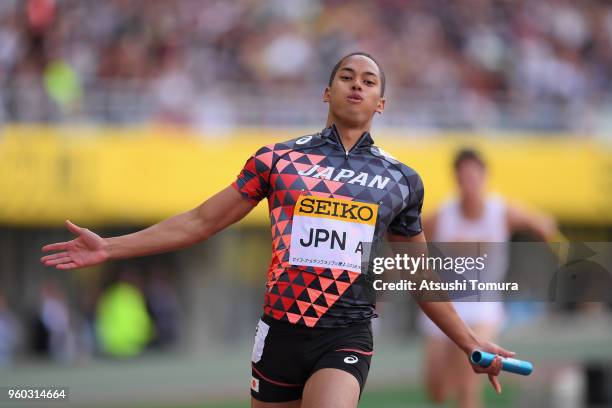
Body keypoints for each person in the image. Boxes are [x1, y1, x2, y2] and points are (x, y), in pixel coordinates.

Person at [41, 52, 512, 408]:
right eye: (346, 77)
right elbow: (201, 221)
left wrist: (469, 341)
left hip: (344, 334)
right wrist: (110, 248)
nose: (356, 85)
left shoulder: (401, 179)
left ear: (380, 102)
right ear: (326, 92)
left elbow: (418, 274)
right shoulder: (277, 160)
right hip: (279, 333)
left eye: (368, 82)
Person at [420, 148, 558, 408]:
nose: (470, 182)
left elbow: (544, 224)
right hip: (445, 303)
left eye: (475, 175)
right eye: (464, 176)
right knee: (436, 388)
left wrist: (543, 228)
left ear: (484, 177)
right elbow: (408, 247)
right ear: (457, 178)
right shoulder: (440, 216)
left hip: (483, 305)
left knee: (467, 380)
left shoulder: (503, 211)